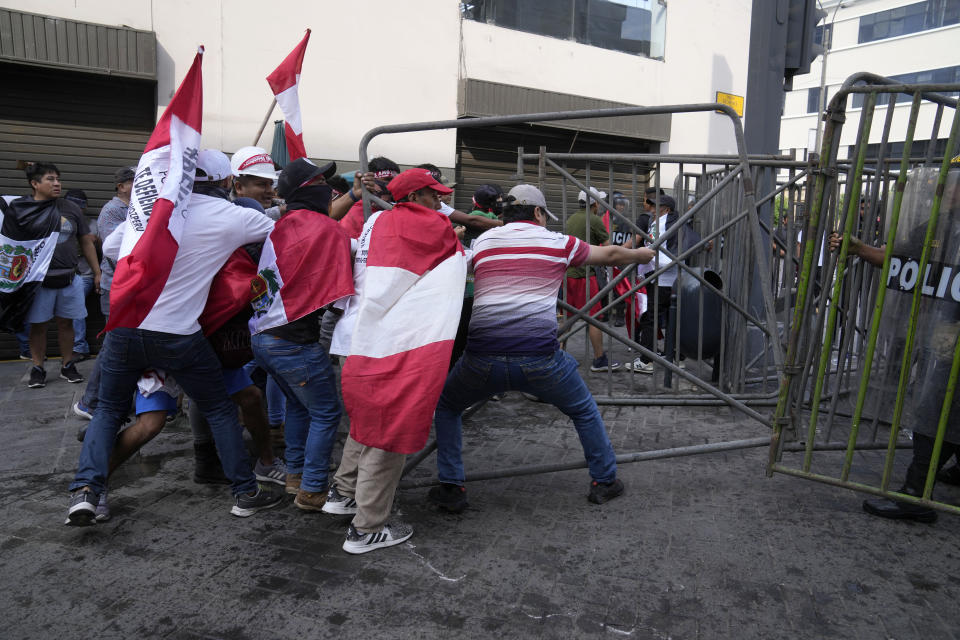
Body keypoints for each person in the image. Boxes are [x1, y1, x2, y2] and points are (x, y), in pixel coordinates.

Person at [65, 149, 282, 525]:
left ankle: (87, 494)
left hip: (126, 329)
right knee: (218, 409)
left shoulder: (151, 208)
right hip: (180, 334)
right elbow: (279, 232)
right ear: (225, 182)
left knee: (109, 412)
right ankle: (246, 493)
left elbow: (113, 248)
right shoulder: (229, 215)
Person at [430, 184, 655, 513]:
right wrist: (641, 255)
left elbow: (452, 270)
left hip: (482, 359)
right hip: (541, 360)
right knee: (583, 410)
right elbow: (608, 254)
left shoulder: (484, 242)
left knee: (448, 408)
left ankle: (452, 488)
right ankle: (604, 482)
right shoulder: (557, 242)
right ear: (538, 213)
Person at [326, 168, 465, 554]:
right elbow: (449, 263)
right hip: (395, 339)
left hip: (356, 335)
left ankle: (342, 493)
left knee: (364, 420)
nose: (440, 202)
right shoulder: (428, 226)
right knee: (389, 427)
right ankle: (366, 527)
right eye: (434, 195)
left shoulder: (376, 221)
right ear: (417, 195)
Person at [249, 157, 353, 510]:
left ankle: (295, 476)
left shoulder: (280, 224)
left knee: (299, 406)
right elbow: (342, 298)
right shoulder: (327, 229)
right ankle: (312, 490)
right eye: (320, 182)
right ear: (308, 191)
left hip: (263, 337)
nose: (327, 186)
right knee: (326, 412)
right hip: (294, 341)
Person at [14, 162, 101, 388]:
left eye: (58, 179)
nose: (57, 183)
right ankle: (37, 368)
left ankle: (67, 365)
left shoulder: (70, 208)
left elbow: (85, 241)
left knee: (67, 324)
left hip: (69, 278)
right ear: (34, 184)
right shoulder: (21, 209)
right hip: (38, 281)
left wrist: (97, 272)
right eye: (50, 179)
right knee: (38, 326)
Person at [74, 167, 137, 420]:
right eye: (134, 182)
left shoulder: (136, 208)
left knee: (125, 344)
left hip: (130, 285)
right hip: (117, 286)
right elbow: (116, 250)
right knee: (114, 344)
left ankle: (122, 399)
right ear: (121, 186)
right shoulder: (112, 211)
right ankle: (89, 402)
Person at [627, 191, 701, 373]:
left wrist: (646, 259)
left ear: (666, 209)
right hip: (670, 280)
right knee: (672, 319)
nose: (652, 209)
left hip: (662, 280)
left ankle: (647, 361)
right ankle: (676, 358)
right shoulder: (666, 223)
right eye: (651, 205)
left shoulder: (668, 225)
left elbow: (671, 252)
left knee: (651, 319)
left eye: (655, 206)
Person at [564, 187, 619, 371]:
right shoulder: (594, 220)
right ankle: (599, 359)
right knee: (594, 317)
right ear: (594, 203)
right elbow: (607, 248)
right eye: (599, 202)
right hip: (585, 277)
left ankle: (561, 357)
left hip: (568, 275)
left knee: (567, 319)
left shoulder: (571, 218)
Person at [63, 189, 97, 362]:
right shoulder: (60, 221)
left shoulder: (91, 223)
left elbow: (91, 240)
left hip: (85, 275)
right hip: (63, 274)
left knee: (75, 306)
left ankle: (80, 347)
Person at [230, 146, 282, 219]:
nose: (270, 191)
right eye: (262, 184)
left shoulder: (283, 212)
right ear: (239, 187)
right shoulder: (225, 216)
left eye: (271, 184)